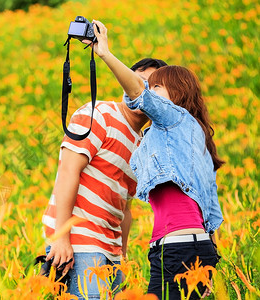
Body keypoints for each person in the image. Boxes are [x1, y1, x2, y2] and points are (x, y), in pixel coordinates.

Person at [89, 20, 224, 299]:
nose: (149, 90)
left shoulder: (176, 119)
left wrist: (105, 53)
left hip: (178, 248)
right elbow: (209, 203)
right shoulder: (188, 133)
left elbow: (138, 95)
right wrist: (208, 249)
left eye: (157, 87)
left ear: (177, 94)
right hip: (184, 246)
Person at [42, 57, 167, 299]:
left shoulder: (142, 143)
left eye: (153, 89)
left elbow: (126, 206)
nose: (142, 92)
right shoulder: (98, 113)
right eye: (139, 82)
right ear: (124, 82)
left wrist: (123, 253)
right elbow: (68, 171)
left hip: (110, 249)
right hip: (80, 242)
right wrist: (61, 238)